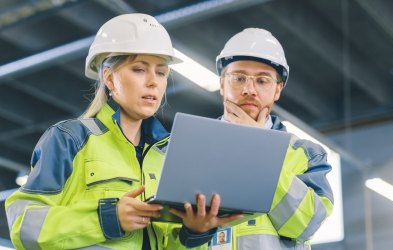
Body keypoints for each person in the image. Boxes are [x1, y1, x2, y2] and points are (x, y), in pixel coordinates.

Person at [5, 13, 239, 250]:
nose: (153, 82)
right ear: (109, 78)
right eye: (139, 69)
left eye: (161, 72)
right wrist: (107, 219)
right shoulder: (70, 140)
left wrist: (194, 232)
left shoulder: (169, 157)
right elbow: (23, 227)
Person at [213, 28, 334, 249]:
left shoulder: (306, 154)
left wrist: (258, 148)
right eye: (239, 78)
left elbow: (306, 224)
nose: (249, 90)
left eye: (262, 80)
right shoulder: (189, 144)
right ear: (222, 83)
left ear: (277, 89)